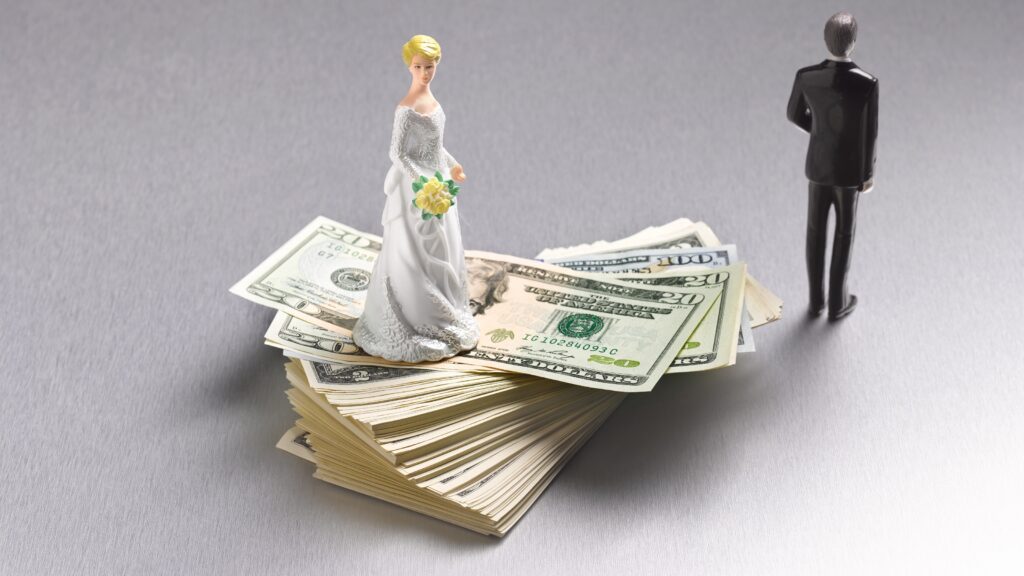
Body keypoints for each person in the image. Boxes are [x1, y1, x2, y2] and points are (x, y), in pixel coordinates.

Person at [353, 35, 479, 362]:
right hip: (417, 186)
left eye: (430, 67)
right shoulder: (406, 109)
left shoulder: (433, 101)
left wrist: (452, 165)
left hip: (436, 181)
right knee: (412, 251)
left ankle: (448, 306)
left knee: (444, 245)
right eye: (419, 67)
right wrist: (419, 180)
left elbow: (436, 147)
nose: (425, 73)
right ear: (409, 67)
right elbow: (396, 152)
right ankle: (415, 316)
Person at [787, 12, 878, 320]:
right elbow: (870, 133)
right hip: (849, 172)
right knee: (844, 234)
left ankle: (816, 301)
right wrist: (867, 174)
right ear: (853, 42)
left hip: (818, 167)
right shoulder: (866, 84)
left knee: (814, 232)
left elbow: (794, 114)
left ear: (825, 39)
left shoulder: (807, 77)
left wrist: (818, 129)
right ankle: (837, 302)